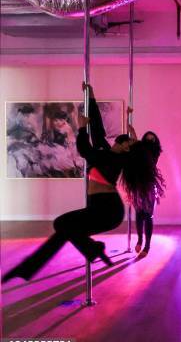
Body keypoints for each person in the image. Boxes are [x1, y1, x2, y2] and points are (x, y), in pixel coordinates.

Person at [2, 84, 163, 283]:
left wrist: (80, 127)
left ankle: (91, 249)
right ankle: (28, 268)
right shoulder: (106, 151)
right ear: (118, 144)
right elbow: (97, 128)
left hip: (109, 210)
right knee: (64, 229)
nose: (126, 146)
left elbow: (85, 149)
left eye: (129, 146)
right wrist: (90, 95)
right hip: (98, 207)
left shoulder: (115, 159)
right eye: (126, 143)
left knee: (62, 224)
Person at [133, 129, 164, 258]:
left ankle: (147, 246)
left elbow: (144, 153)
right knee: (139, 214)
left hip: (149, 185)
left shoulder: (154, 152)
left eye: (152, 139)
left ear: (155, 141)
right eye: (147, 138)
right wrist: (132, 130)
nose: (150, 140)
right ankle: (140, 239)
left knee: (148, 216)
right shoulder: (140, 150)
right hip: (138, 185)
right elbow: (136, 145)